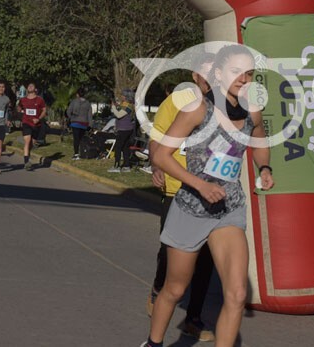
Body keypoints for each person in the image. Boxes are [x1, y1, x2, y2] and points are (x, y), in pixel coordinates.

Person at [144, 44, 274, 347]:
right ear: (217, 73)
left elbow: (260, 141)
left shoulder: (253, 110)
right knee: (175, 289)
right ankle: (153, 343)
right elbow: (163, 155)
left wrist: (264, 167)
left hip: (229, 208)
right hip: (192, 207)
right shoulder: (198, 108)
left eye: (249, 73)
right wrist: (199, 185)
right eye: (235, 72)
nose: (243, 78)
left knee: (237, 294)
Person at [145, 60, 218, 342]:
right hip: (177, 189)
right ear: (195, 76)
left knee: (205, 259)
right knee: (169, 250)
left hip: (208, 192)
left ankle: (194, 318)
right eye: (205, 75)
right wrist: (157, 166)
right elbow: (158, 137)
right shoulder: (177, 101)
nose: (209, 80)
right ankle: (157, 288)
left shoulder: (223, 105)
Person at [17, 82, 47, 171]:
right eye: (28, 86)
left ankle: (27, 154)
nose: (30, 87)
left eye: (32, 86)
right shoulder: (23, 100)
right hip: (26, 122)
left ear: (35, 89)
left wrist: (39, 119)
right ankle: (26, 162)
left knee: (32, 143)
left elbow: (44, 110)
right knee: (27, 140)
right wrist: (19, 111)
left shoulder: (40, 100)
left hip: (36, 124)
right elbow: (19, 108)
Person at [109, 90, 136, 173]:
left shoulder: (128, 106)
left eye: (123, 95)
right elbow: (115, 112)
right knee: (125, 148)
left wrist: (113, 106)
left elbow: (118, 115)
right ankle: (126, 165)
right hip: (127, 129)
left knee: (118, 147)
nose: (121, 97)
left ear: (126, 97)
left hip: (124, 129)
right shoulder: (126, 105)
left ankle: (116, 166)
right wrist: (115, 106)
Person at [66, 88, 94, 160]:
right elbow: (90, 115)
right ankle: (82, 152)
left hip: (75, 122)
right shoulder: (88, 103)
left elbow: (68, 111)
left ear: (77, 94)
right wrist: (90, 125)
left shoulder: (74, 101)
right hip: (84, 124)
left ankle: (76, 154)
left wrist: (71, 117)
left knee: (76, 139)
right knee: (81, 138)